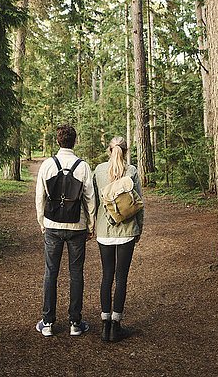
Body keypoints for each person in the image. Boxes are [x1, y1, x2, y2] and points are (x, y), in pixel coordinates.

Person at [35, 123, 96, 337]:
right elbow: (90, 198)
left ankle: (48, 322)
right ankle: (75, 323)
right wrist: (90, 225)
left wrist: (42, 222)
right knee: (76, 273)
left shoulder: (47, 165)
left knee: (51, 272)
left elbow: (40, 197)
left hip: (52, 226)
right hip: (77, 227)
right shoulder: (83, 166)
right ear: (74, 141)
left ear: (57, 141)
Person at [93, 136, 144, 342]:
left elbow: (94, 201)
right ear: (125, 151)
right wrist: (139, 228)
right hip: (127, 231)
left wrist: (92, 225)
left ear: (109, 150)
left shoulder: (98, 170)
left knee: (107, 276)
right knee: (121, 278)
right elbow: (139, 202)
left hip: (104, 232)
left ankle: (104, 326)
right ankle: (116, 326)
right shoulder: (131, 171)